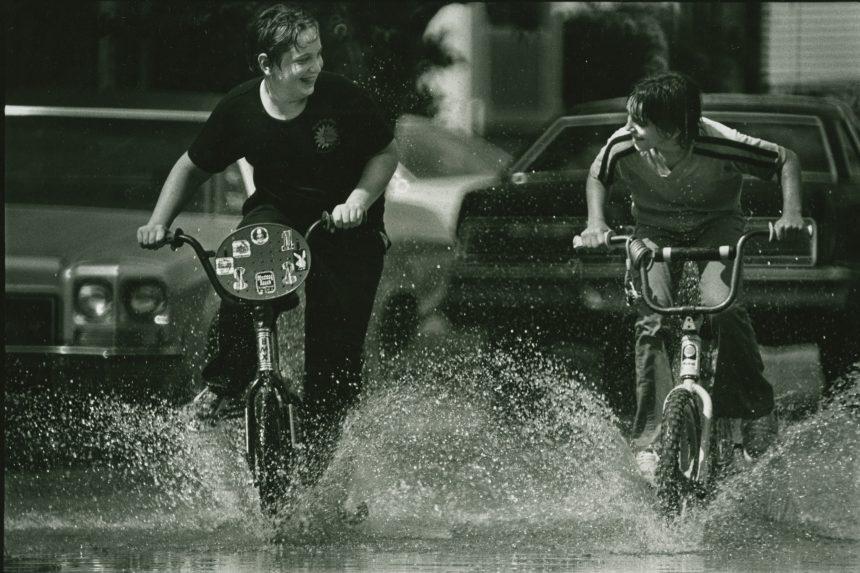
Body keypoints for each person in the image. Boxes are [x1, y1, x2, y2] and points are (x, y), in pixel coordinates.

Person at [137, 3, 398, 483]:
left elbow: (385, 153)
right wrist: (158, 222)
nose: (316, 66)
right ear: (267, 65)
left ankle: (318, 466)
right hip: (277, 214)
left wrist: (358, 201)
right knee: (244, 281)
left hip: (347, 224)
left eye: (318, 54)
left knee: (335, 359)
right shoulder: (239, 108)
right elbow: (191, 166)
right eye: (302, 60)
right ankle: (222, 386)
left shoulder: (342, 99)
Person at [577, 72, 805, 481]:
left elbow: (785, 159)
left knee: (724, 308)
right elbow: (598, 175)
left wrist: (791, 214)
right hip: (653, 229)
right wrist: (596, 222)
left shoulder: (718, 141)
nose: (629, 129)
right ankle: (649, 440)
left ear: (673, 128)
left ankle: (755, 410)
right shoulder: (625, 144)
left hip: (716, 225)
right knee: (651, 317)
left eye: (639, 122)